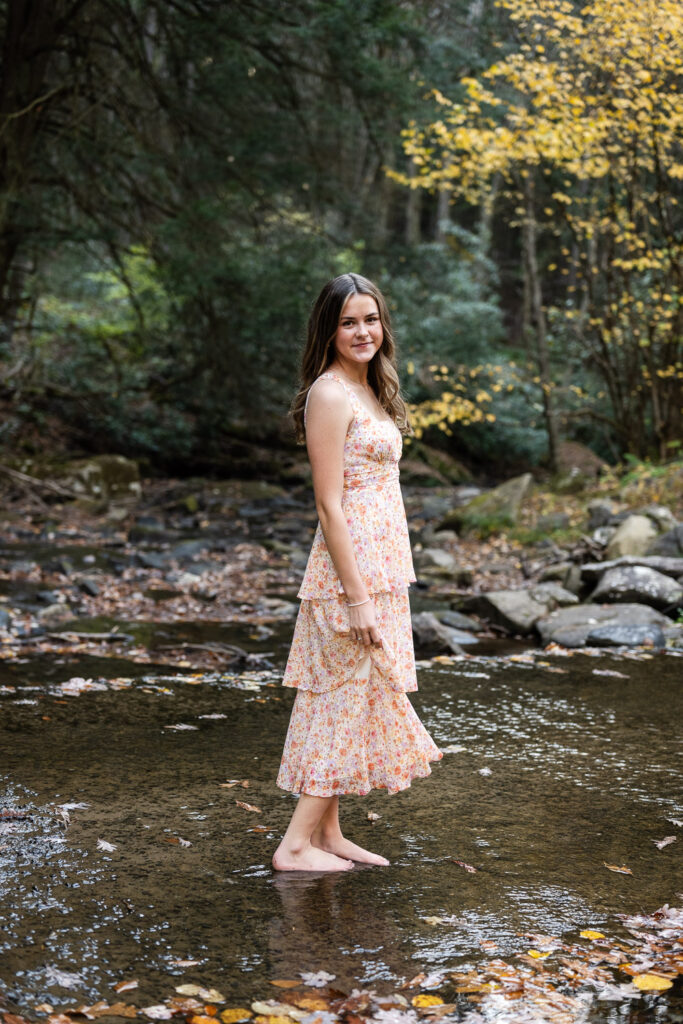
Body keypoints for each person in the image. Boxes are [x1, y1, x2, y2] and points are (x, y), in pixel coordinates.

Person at [272, 272, 442, 872]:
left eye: (370, 319)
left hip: (383, 568)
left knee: (360, 694)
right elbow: (328, 504)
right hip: (351, 577)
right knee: (342, 698)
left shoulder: (370, 388)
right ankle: (294, 845)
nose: (362, 331)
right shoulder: (329, 393)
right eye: (348, 322)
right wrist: (357, 597)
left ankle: (327, 833)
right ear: (329, 330)